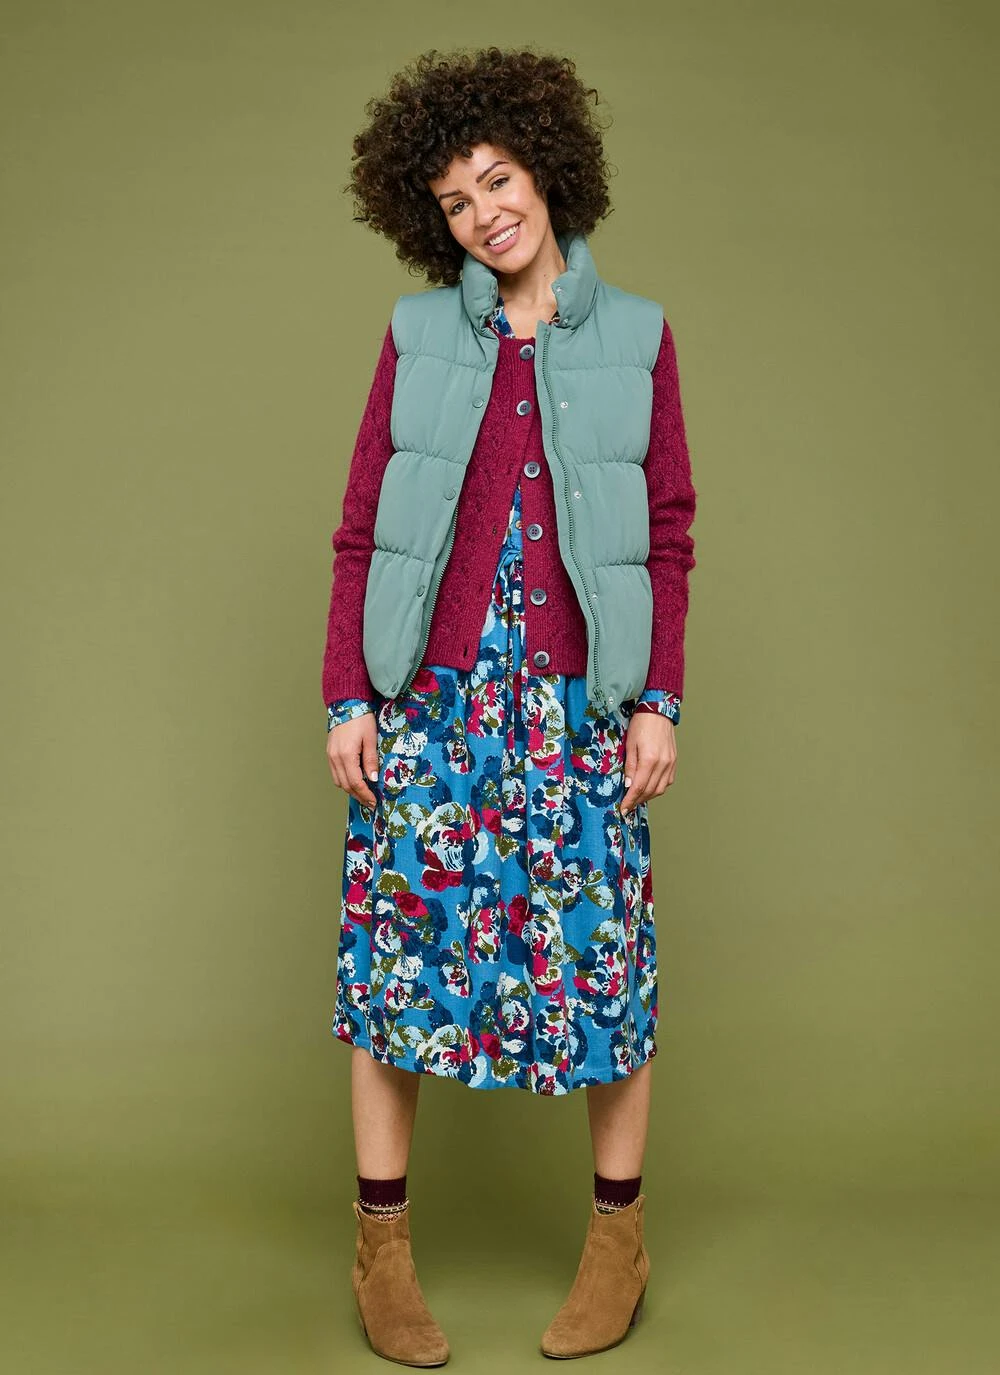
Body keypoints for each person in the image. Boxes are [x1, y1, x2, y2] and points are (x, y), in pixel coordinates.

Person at [320, 45, 697, 1366]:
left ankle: (617, 1242)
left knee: (606, 969)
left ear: (545, 166)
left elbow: (666, 531)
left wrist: (658, 699)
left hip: (579, 705)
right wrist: (346, 697)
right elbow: (362, 527)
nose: (485, 212)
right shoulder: (416, 335)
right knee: (396, 971)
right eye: (455, 201)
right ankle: (381, 1249)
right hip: (429, 698)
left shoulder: (638, 335)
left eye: (497, 179)